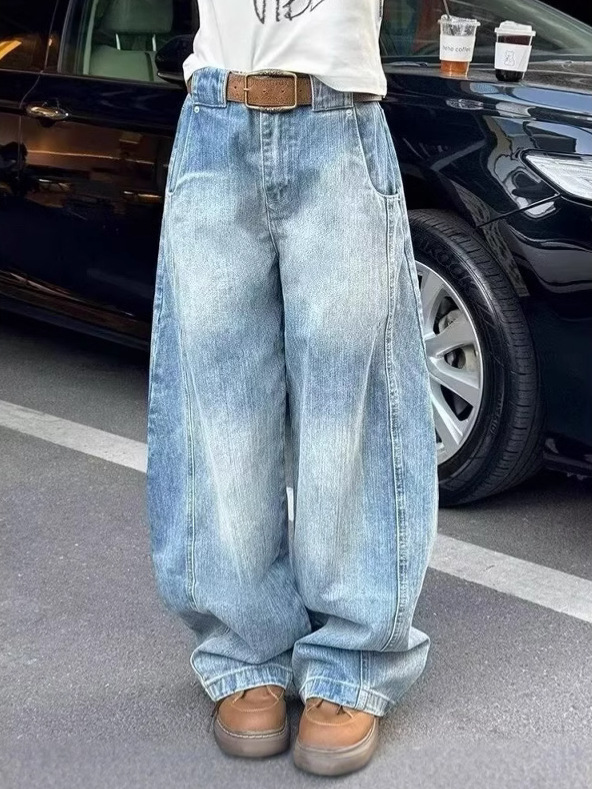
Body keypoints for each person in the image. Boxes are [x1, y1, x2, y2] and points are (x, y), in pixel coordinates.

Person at [146, 0, 438, 777]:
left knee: (351, 401)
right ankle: (246, 649)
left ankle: (354, 658)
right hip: (216, 119)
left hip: (338, 121)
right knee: (220, 400)